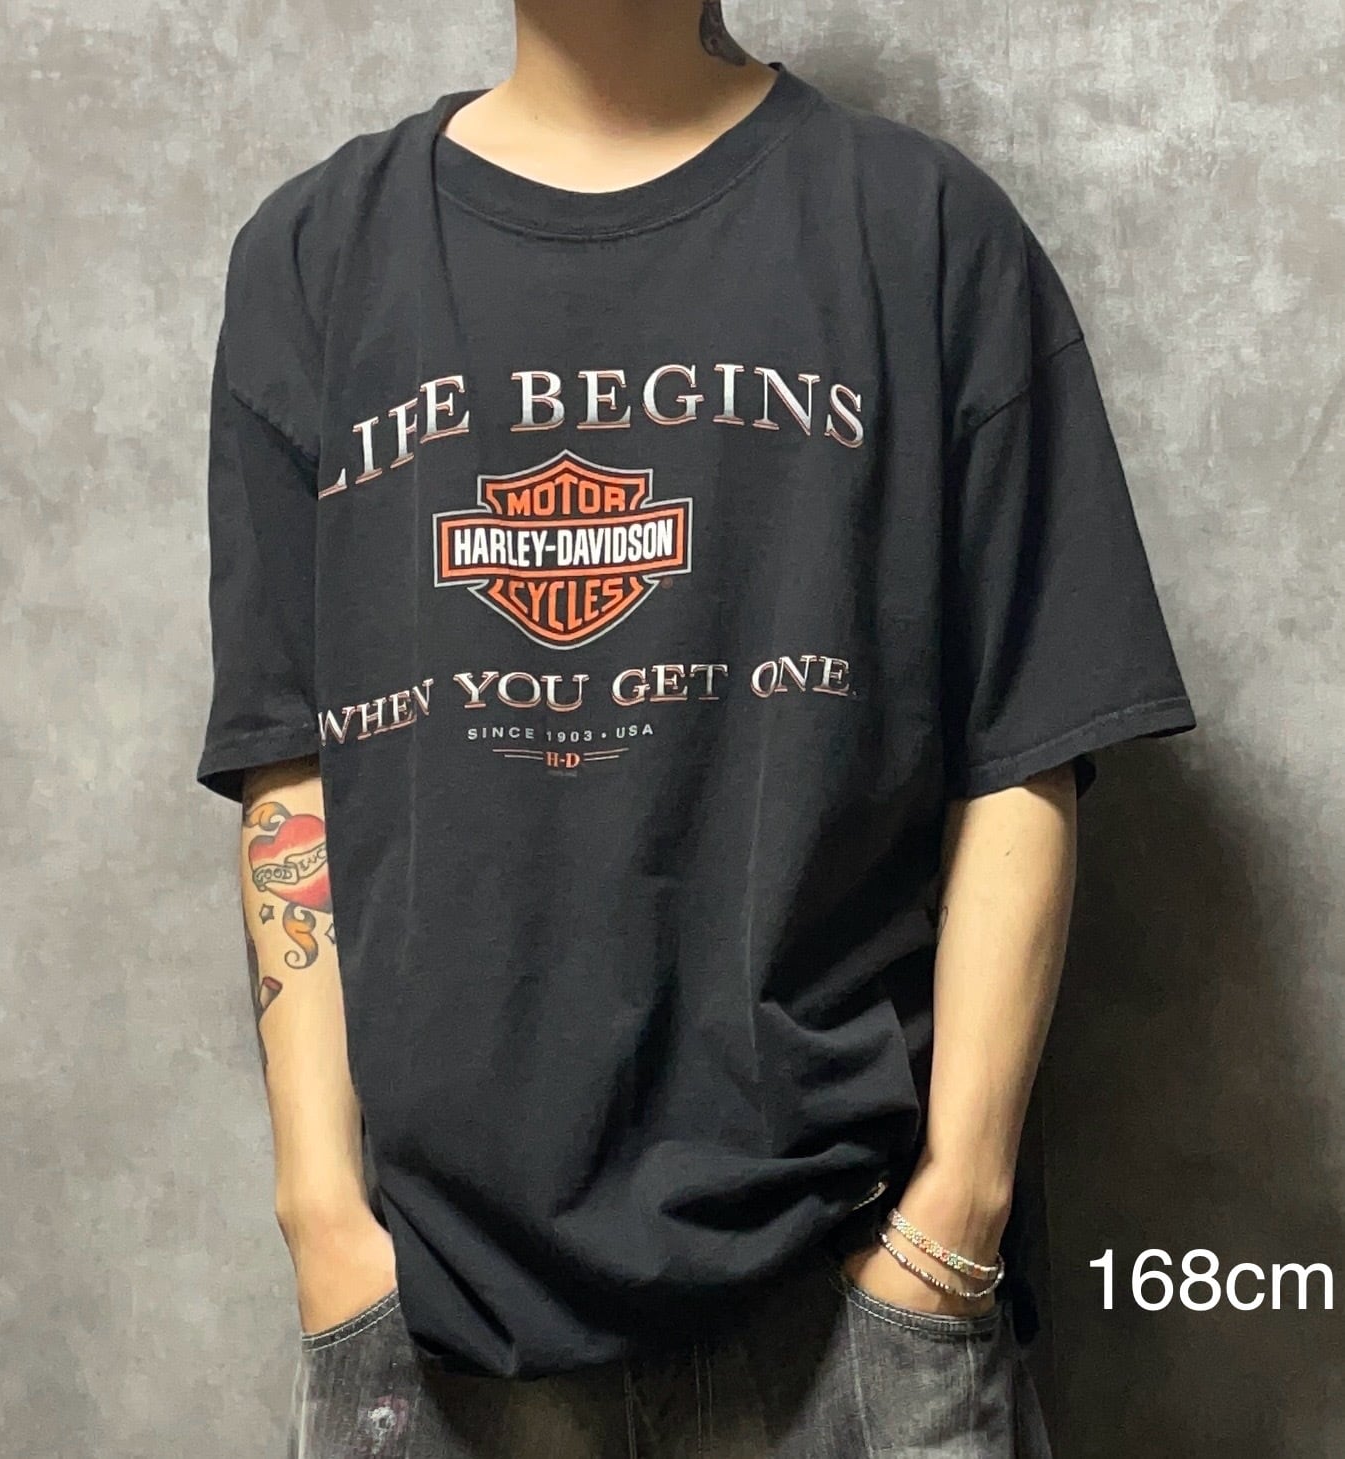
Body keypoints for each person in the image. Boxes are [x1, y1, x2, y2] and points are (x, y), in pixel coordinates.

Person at [194, 2, 1198, 1454]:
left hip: (851, 1303)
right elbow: (288, 766)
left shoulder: (922, 229)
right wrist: (323, 1223)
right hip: (431, 1325)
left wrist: (954, 1222)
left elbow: (1030, 746)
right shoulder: (313, 259)